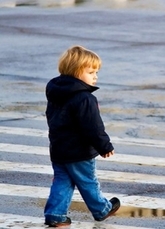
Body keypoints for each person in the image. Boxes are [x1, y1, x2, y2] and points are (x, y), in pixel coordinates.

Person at [44, 45, 120, 227]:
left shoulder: (56, 92)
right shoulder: (85, 98)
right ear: (77, 72)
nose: (95, 76)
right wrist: (105, 146)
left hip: (59, 148)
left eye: (96, 72)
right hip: (79, 151)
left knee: (62, 181)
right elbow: (93, 126)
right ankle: (102, 209)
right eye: (91, 72)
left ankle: (55, 214)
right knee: (88, 181)